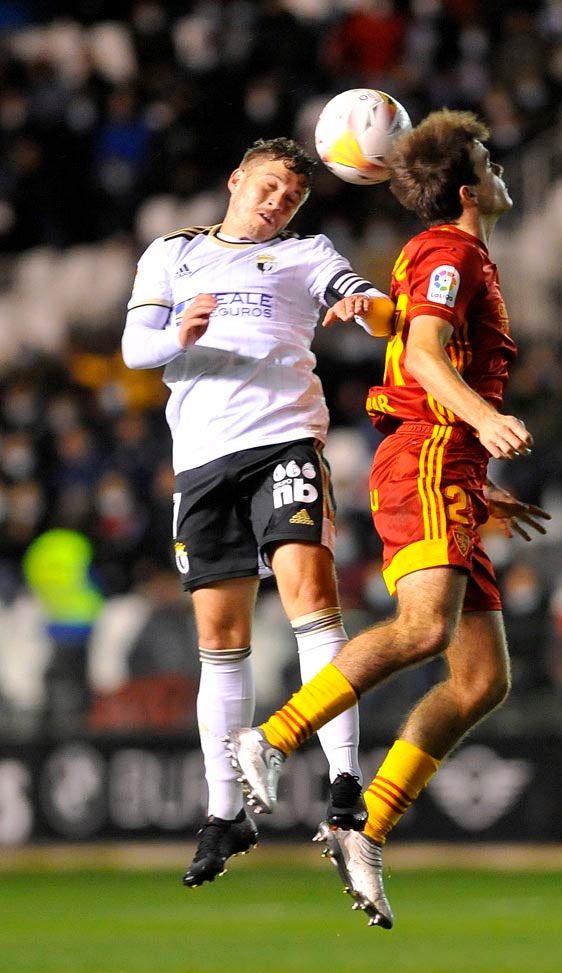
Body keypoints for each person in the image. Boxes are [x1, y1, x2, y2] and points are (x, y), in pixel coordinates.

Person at [226, 110, 549, 928]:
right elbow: (428, 356)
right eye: (489, 156)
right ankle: (271, 737)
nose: (500, 165)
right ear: (470, 188)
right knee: (421, 631)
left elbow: (422, 346)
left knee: (483, 680)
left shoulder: (457, 255)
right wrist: (482, 422)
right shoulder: (450, 251)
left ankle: (362, 825)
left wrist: (480, 484)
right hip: (432, 452)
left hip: (455, 470)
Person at [121, 137, 395, 888]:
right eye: (270, 187)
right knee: (221, 638)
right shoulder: (173, 255)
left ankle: (344, 786)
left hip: (285, 442)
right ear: (236, 179)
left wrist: (366, 307)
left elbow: (372, 311)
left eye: (292, 196)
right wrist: (180, 334)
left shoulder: (308, 254)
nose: (278, 203)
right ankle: (224, 815)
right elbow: (134, 346)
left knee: (311, 598)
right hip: (203, 459)